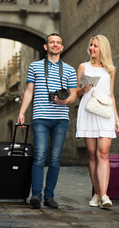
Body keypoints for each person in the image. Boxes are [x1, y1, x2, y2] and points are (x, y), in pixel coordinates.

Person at [18, 33, 77, 209]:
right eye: (52, 42)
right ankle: (36, 195)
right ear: (46, 46)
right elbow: (29, 91)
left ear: (62, 47)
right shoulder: (34, 66)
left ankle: (49, 196)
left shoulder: (69, 70)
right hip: (40, 118)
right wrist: (22, 112)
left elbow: (73, 94)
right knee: (39, 156)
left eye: (58, 42)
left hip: (60, 119)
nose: (55, 45)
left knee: (55, 159)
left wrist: (65, 101)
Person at [76, 35, 119, 208]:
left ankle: (104, 195)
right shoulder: (83, 67)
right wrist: (83, 89)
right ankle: (96, 193)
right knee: (92, 154)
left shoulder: (110, 69)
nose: (92, 48)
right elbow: (77, 92)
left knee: (103, 153)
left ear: (103, 48)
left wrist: (116, 118)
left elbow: (111, 95)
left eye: (95, 46)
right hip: (88, 112)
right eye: (91, 45)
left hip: (104, 113)